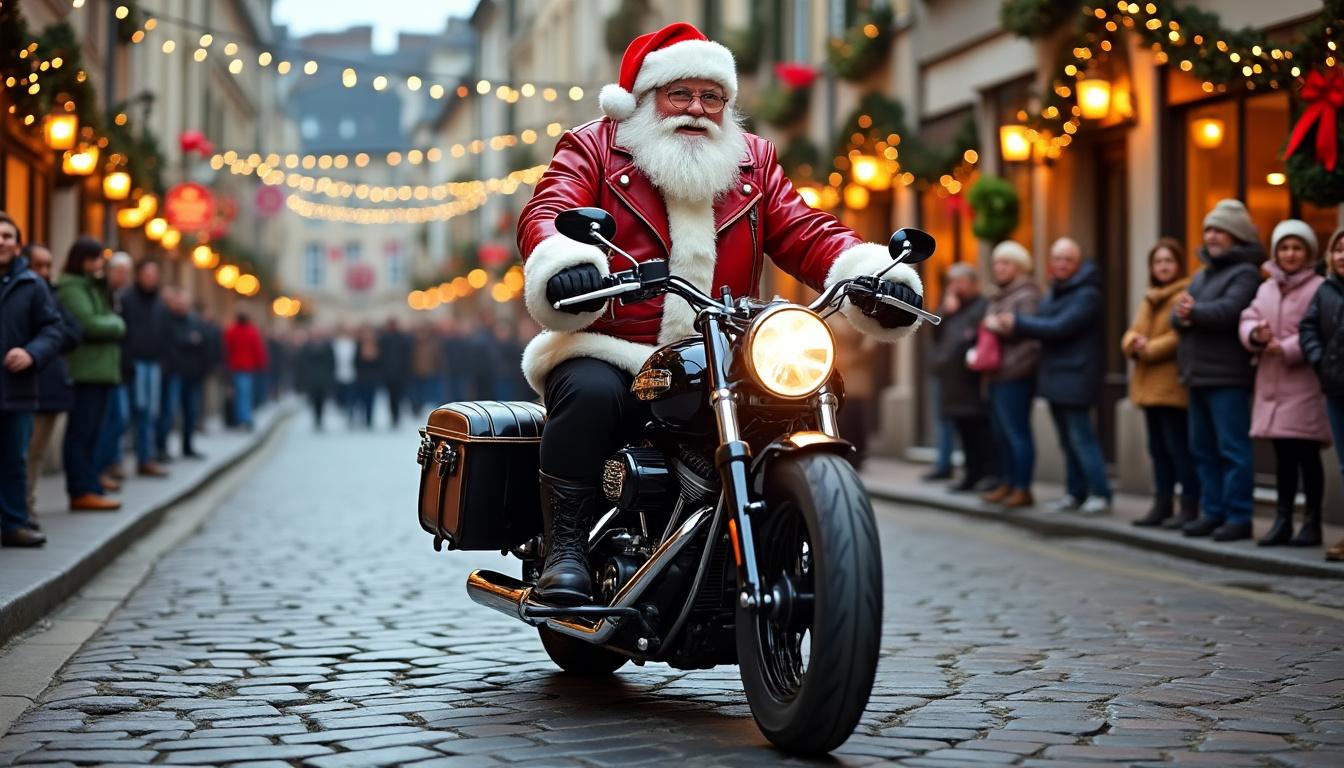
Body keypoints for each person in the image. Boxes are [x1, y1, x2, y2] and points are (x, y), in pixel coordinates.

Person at [517, 22, 923, 605]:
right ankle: (567, 551)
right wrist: (567, 260)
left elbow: (805, 230)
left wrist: (869, 274)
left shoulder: (752, 161)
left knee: (796, 395)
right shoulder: (595, 147)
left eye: (713, 97)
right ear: (648, 97)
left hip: (722, 348)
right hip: (614, 343)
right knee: (587, 392)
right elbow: (551, 208)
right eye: (680, 93)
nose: (697, 109)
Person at [989, 238, 1110, 513]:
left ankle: (1100, 493)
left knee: (1082, 437)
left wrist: (1017, 322)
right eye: (1057, 259)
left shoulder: (1088, 294)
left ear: (1077, 264)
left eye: (1068, 259)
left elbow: (1060, 326)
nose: (1062, 264)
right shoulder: (1056, 290)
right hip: (1054, 375)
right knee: (1067, 440)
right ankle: (1074, 493)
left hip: (1077, 375)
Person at [1173, 199, 1263, 542]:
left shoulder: (1246, 273)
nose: (1210, 236)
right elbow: (1176, 314)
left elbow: (1228, 312)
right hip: (1197, 374)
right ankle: (1213, 513)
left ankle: (1239, 516)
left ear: (1236, 235)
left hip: (1228, 377)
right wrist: (1187, 313)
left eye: (1218, 230)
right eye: (1208, 229)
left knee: (1232, 450)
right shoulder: (1203, 274)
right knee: (1203, 450)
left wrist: (1192, 313)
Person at [1239, 220, 1328, 547]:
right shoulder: (1266, 287)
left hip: (1303, 385)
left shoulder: (1320, 287)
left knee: (1306, 456)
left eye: (1297, 248)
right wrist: (1256, 336)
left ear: (1308, 253)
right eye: (1284, 248)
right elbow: (1248, 317)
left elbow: (1322, 332)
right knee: (1284, 459)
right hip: (1271, 384)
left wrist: (1288, 347)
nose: (1290, 254)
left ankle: (1313, 522)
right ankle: (1282, 520)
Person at [1122, 238, 1200, 528]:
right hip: (1147, 386)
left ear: (1178, 265)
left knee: (1179, 449)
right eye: (1158, 262)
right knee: (1157, 450)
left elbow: (1178, 337)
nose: (1163, 266)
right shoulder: (1149, 296)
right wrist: (1132, 342)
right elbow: (1133, 331)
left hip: (1171, 386)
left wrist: (1148, 348)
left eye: (1168, 261)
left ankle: (1189, 505)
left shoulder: (1185, 294)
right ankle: (1162, 503)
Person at [0, 212, 63, 547]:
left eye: (8, 236)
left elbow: (53, 329)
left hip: (16, 388)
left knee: (14, 460)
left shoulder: (32, 285)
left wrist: (32, 353)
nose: (1, 241)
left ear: (18, 245)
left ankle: (13, 523)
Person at [56, 238, 125, 513]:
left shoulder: (92, 286)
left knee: (95, 432)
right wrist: (118, 324)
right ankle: (80, 489)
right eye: (96, 259)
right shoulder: (72, 287)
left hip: (101, 370)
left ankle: (91, 484)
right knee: (81, 433)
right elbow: (88, 324)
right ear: (82, 259)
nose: (100, 264)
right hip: (85, 370)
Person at [979, 241, 1041, 509]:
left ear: (1018, 267)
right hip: (994, 375)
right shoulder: (998, 295)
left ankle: (1023, 487)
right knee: (1001, 434)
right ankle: (1007, 482)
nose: (999, 268)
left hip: (1014, 376)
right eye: (996, 263)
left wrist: (1000, 327)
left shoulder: (1027, 295)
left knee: (1017, 433)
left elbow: (1032, 339)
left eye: (1006, 263)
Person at [23, 243, 82, 520]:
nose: (45, 272)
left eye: (48, 265)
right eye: (39, 265)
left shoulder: (52, 295)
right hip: (24, 383)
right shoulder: (23, 292)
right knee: (23, 451)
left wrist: (46, 344)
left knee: (37, 452)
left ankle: (26, 505)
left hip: (51, 382)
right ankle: (19, 507)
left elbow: (70, 331)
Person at [929, 263, 997, 491]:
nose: (956, 287)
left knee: (978, 431)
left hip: (971, 379)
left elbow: (972, 338)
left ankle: (987, 473)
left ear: (972, 283)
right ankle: (971, 475)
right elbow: (935, 333)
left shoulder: (981, 306)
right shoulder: (950, 307)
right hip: (951, 379)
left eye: (960, 282)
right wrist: (945, 313)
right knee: (963, 431)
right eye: (952, 282)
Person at [1299, 227, 1344, 561]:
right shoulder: (1326, 290)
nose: (1343, 256)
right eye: (1339, 250)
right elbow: (1308, 327)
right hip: (1335, 387)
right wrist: (1318, 359)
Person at [120, 260, 170, 477]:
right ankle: (117, 462)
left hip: (154, 363)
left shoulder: (160, 302)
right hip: (134, 362)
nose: (151, 278)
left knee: (150, 412)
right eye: (147, 274)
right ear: (138, 275)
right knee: (130, 413)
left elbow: (165, 332)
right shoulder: (127, 299)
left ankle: (145, 459)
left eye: (154, 274)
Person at [95, 251, 133, 490]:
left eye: (126, 272)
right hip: (102, 368)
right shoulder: (104, 294)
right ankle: (101, 469)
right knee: (108, 420)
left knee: (118, 419)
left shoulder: (122, 297)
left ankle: (108, 465)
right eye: (119, 271)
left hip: (118, 368)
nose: (123, 276)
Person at [167, 294, 213, 459]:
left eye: (183, 303)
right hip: (174, 372)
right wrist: (189, 340)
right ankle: (162, 448)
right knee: (169, 412)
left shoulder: (195, 321)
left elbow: (204, 342)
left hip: (193, 374)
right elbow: (173, 341)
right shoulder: (168, 320)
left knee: (191, 413)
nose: (180, 306)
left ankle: (187, 446)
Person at [223, 312, 268, 430]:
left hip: (234, 367)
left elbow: (226, 349)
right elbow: (258, 349)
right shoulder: (251, 331)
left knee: (239, 394)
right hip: (246, 367)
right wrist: (261, 364)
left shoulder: (231, 331)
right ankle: (245, 418)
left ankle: (240, 418)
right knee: (245, 394)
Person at [296, 327, 337, 429]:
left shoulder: (328, 346)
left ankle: (320, 418)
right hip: (311, 378)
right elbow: (302, 364)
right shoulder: (306, 347)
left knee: (322, 400)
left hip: (323, 378)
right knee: (313, 400)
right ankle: (316, 418)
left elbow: (332, 363)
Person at [378, 318, 412, 427]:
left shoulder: (402, 338)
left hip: (399, 373)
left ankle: (396, 416)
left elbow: (407, 356)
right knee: (391, 397)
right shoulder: (384, 338)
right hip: (389, 374)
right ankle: (394, 416)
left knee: (397, 397)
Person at [409, 322, 445, 413]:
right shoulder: (413, 343)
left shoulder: (433, 343)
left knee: (429, 393)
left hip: (430, 372)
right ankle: (417, 408)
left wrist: (437, 367)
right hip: (416, 372)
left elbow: (437, 356)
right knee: (417, 393)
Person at [353, 325, 381, 428]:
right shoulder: (358, 346)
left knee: (371, 400)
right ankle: (362, 418)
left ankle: (369, 419)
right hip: (361, 378)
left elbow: (379, 363)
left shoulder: (377, 346)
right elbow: (355, 362)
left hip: (372, 379)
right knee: (361, 400)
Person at [332, 324, 357, 422]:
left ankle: (350, 413)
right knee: (340, 396)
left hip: (352, 374)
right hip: (338, 374)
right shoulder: (335, 344)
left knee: (350, 396)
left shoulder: (353, 344)